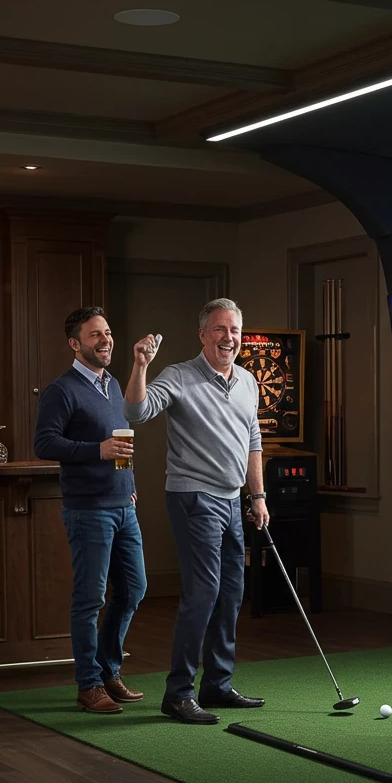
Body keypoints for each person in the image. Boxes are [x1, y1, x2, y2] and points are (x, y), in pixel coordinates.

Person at [123, 298, 268, 724]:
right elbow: (136, 410)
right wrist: (140, 365)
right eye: (220, 330)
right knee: (203, 593)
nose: (229, 338)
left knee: (231, 594)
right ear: (203, 334)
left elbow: (253, 441)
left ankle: (217, 685)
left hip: (231, 498)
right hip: (193, 498)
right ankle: (178, 693)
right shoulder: (180, 376)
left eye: (235, 330)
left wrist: (257, 496)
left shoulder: (246, 381)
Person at [34, 306, 146, 714]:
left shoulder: (113, 384)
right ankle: (88, 685)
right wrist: (96, 451)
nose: (106, 341)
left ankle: (107, 670)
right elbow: (44, 444)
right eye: (95, 335)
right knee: (90, 599)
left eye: (108, 332)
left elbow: (121, 445)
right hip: (88, 510)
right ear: (75, 343)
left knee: (134, 590)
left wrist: (128, 487)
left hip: (123, 506)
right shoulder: (61, 390)